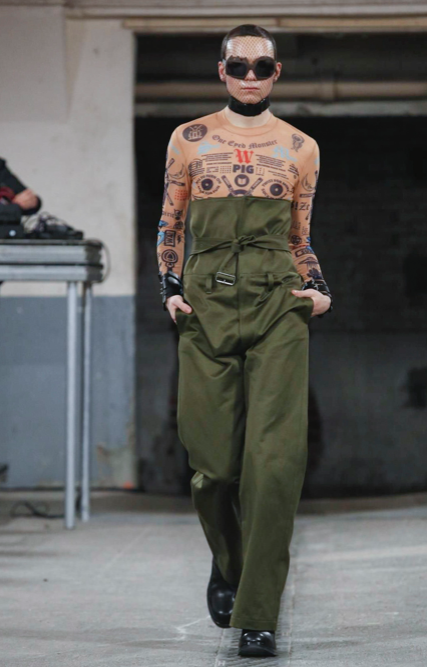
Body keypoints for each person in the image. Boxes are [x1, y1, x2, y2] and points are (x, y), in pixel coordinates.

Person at [156, 24, 333, 658]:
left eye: (262, 66)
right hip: (205, 302)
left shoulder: (300, 146)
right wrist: (169, 287)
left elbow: (299, 235)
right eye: (239, 65)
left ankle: (258, 614)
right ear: (223, 71)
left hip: (278, 302)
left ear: (276, 72)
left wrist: (318, 287)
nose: (250, 76)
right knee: (213, 466)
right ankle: (228, 558)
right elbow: (171, 222)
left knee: (274, 464)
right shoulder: (189, 138)